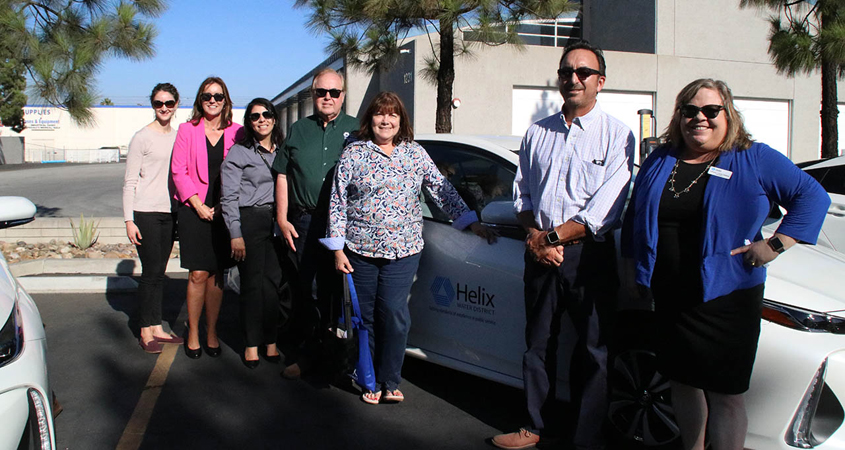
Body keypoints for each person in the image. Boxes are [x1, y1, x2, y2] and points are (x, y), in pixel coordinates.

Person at [621, 78, 829, 450]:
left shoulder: (753, 157)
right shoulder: (661, 159)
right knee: (682, 380)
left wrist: (776, 243)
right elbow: (637, 215)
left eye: (710, 110)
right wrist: (632, 270)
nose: (699, 118)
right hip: (671, 293)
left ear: (728, 113)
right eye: (690, 110)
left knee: (726, 394)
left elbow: (811, 196)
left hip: (728, 298)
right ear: (679, 115)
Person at [493, 41, 635, 450]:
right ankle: (534, 426)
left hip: (587, 258)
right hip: (540, 253)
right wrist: (535, 238)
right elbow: (522, 198)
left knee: (594, 351)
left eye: (583, 72)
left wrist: (548, 239)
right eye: (566, 71)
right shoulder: (538, 132)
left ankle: (585, 437)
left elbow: (604, 210)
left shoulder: (617, 136)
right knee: (537, 344)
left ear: (600, 82)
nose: (573, 79)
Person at [320, 91, 496, 404]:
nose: (385, 121)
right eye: (379, 114)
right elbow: (337, 200)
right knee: (366, 318)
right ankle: (368, 378)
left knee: (394, 314)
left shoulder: (415, 154)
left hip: (404, 251)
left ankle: (390, 379)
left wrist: (470, 222)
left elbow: (442, 191)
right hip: (359, 251)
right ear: (369, 119)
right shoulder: (354, 153)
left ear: (401, 120)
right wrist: (336, 248)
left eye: (392, 115)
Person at [272, 68, 359, 379]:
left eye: (334, 93)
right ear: (313, 95)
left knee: (339, 293)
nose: (327, 98)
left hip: (345, 227)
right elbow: (282, 173)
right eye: (321, 92)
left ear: (343, 96)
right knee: (307, 292)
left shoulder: (358, 130)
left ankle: (339, 361)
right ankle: (308, 355)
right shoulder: (298, 130)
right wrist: (282, 218)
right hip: (305, 223)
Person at [171, 76, 243, 359]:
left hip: (226, 210)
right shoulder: (187, 131)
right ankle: (193, 333)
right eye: (206, 96)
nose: (212, 101)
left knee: (217, 276)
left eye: (217, 96)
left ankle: (212, 332)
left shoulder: (238, 132)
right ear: (200, 101)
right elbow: (178, 171)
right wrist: (197, 204)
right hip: (194, 209)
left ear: (226, 100)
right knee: (198, 273)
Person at [221, 98, 286, 369]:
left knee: (273, 287)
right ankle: (250, 343)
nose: (262, 119)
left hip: (278, 221)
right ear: (249, 121)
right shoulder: (239, 153)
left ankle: (270, 340)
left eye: (266, 114)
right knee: (252, 286)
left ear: (274, 118)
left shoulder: (282, 150)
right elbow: (228, 197)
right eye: (255, 116)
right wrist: (235, 233)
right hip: (250, 221)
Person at [123, 82, 184, 354]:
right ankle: (145, 330)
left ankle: (157, 326)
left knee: (159, 272)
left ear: (176, 105)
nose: (164, 108)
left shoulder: (178, 136)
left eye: (169, 103)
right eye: (159, 103)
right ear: (152, 105)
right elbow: (129, 182)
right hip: (145, 212)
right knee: (149, 273)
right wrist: (129, 219)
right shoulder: (142, 137)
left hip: (169, 212)